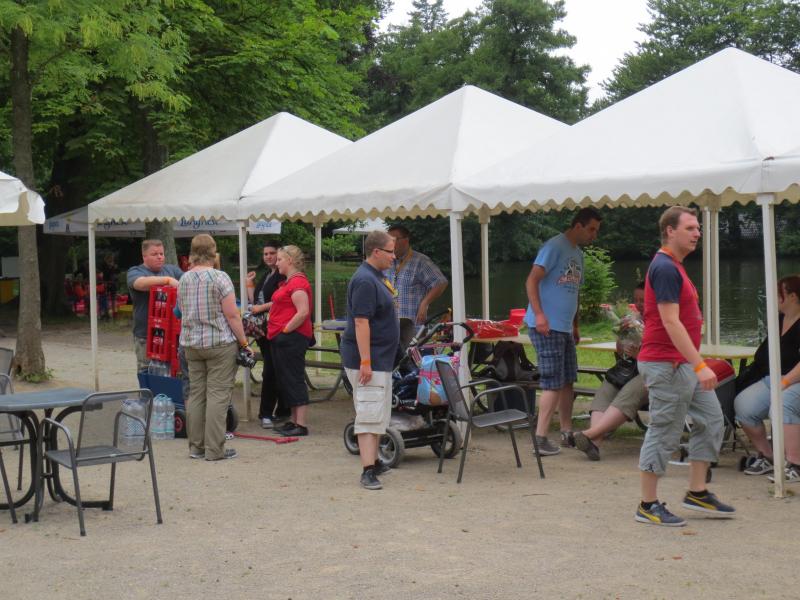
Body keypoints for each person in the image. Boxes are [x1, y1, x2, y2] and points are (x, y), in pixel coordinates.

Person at [635, 206, 735, 527]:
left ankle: (697, 490)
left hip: (681, 365)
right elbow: (670, 321)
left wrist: (695, 364)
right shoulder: (664, 267)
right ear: (670, 231)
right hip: (666, 364)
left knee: (711, 419)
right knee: (664, 429)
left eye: (698, 228)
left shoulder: (675, 266)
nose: (697, 233)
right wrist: (700, 364)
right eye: (690, 228)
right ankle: (647, 504)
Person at [524, 207, 602, 456]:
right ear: (578, 226)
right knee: (552, 382)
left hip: (564, 328)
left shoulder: (577, 254)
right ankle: (540, 439)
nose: (594, 235)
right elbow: (531, 280)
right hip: (546, 326)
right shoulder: (554, 246)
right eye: (591, 229)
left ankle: (567, 432)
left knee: (568, 379)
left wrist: (575, 326)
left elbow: (574, 291)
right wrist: (539, 315)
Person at [177, 234, 251, 461]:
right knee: (218, 395)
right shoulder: (220, 277)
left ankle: (196, 447)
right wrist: (244, 342)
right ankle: (215, 449)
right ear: (213, 251)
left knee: (196, 394)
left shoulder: (184, 279)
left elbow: (181, 310)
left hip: (191, 344)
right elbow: (232, 315)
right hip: (219, 343)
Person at [341, 231, 400, 490]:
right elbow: (361, 322)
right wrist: (365, 361)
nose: (394, 256)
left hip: (381, 358)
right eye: (390, 251)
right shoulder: (365, 280)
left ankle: (375, 460)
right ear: (376, 251)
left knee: (378, 411)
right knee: (368, 411)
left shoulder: (377, 277)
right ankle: (367, 471)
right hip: (369, 359)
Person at [734, 275, 800, 483]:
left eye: (778, 293)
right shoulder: (778, 319)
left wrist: (785, 382)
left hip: (795, 380)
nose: (774, 298)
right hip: (773, 377)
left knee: (782, 406)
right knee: (744, 405)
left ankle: (796, 464)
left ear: (792, 296)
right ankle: (769, 456)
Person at [574, 284, 648, 461]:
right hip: (629, 369)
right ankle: (594, 441)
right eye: (636, 300)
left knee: (628, 393)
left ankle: (589, 435)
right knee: (606, 389)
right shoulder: (634, 319)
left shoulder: (663, 322)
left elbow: (662, 361)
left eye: (643, 300)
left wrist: (639, 355)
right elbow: (620, 352)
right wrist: (622, 337)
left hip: (650, 374)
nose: (639, 304)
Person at [268, 246, 314, 437]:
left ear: (290, 261)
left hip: (292, 338)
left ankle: (301, 424)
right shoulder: (290, 282)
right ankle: (294, 421)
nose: (276, 262)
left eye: (280, 259)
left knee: (293, 378)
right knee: (286, 378)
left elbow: (303, 312)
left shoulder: (298, 283)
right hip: (283, 337)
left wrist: (285, 330)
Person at [246, 242, 289, 429]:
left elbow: (281, 299)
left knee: (272, 370)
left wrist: (260, 307)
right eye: (266, 254)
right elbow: (255, 300)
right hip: (263, 329)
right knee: (272, 369)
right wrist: (249, 283)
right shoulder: (267, 275)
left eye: (272, 253)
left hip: (277, 327)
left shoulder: (282, 276)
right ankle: (280, 409)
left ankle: (268, 412)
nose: (269, 257)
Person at [127, 239, 183, 373]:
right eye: (154, 254)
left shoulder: (172, 270)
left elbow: (188, 280)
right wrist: (167, 280)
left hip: (172, 333)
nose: (159, 257)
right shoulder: (135, 271)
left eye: (161, 254)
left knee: (173, 371)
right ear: (144, 256)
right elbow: (140, 283)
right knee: (147, 371)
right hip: (145, 334)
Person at [386, 225, 448, 326]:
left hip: (412, 326)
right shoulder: (387, 261)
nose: (390, 243)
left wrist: (425, 303)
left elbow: (441, 283)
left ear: (406, 240)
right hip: (390, 325)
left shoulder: (421, 261)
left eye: (394, 240)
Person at [101, 253, 119, 319]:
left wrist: (114, 267)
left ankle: (114, 312)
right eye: (110, 258)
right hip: (106, 283)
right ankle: (106, 313)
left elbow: (117, 272)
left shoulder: (113, 264)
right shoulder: (104, 265)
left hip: (113, 283)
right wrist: (111, 267)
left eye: (112, 258)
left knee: (113, 298)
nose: (112, 259)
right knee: (106, 298)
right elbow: (105, 273)